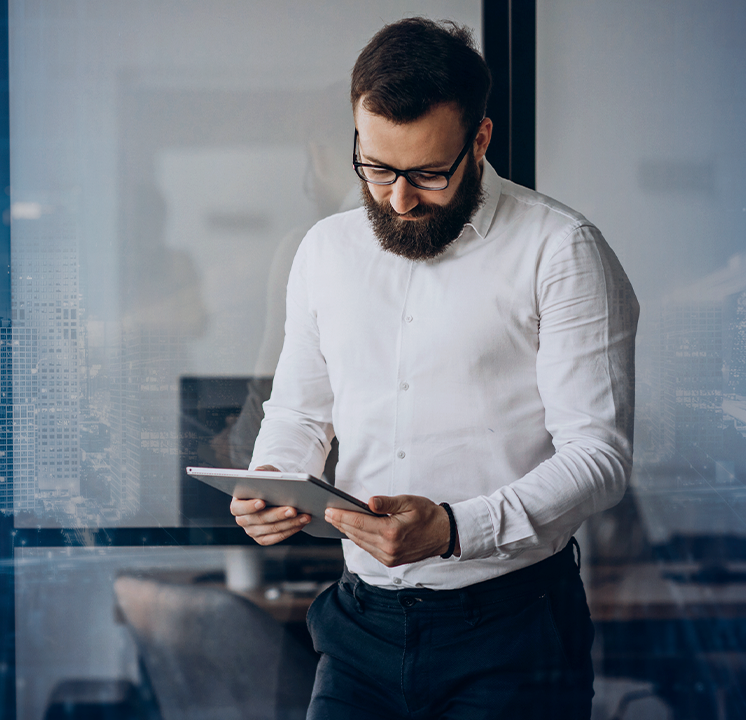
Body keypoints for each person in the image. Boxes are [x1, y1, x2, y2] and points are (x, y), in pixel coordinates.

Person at [230, 17, 638, 720]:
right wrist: (273, 479)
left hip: (512, 630)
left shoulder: (562, 251)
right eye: (378, 167)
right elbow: (300, 411)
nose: (397, 199)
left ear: (479, 140)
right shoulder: (325, 252)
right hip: (359, 628)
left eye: (427, 173)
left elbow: (599, 457)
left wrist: (453, 528)